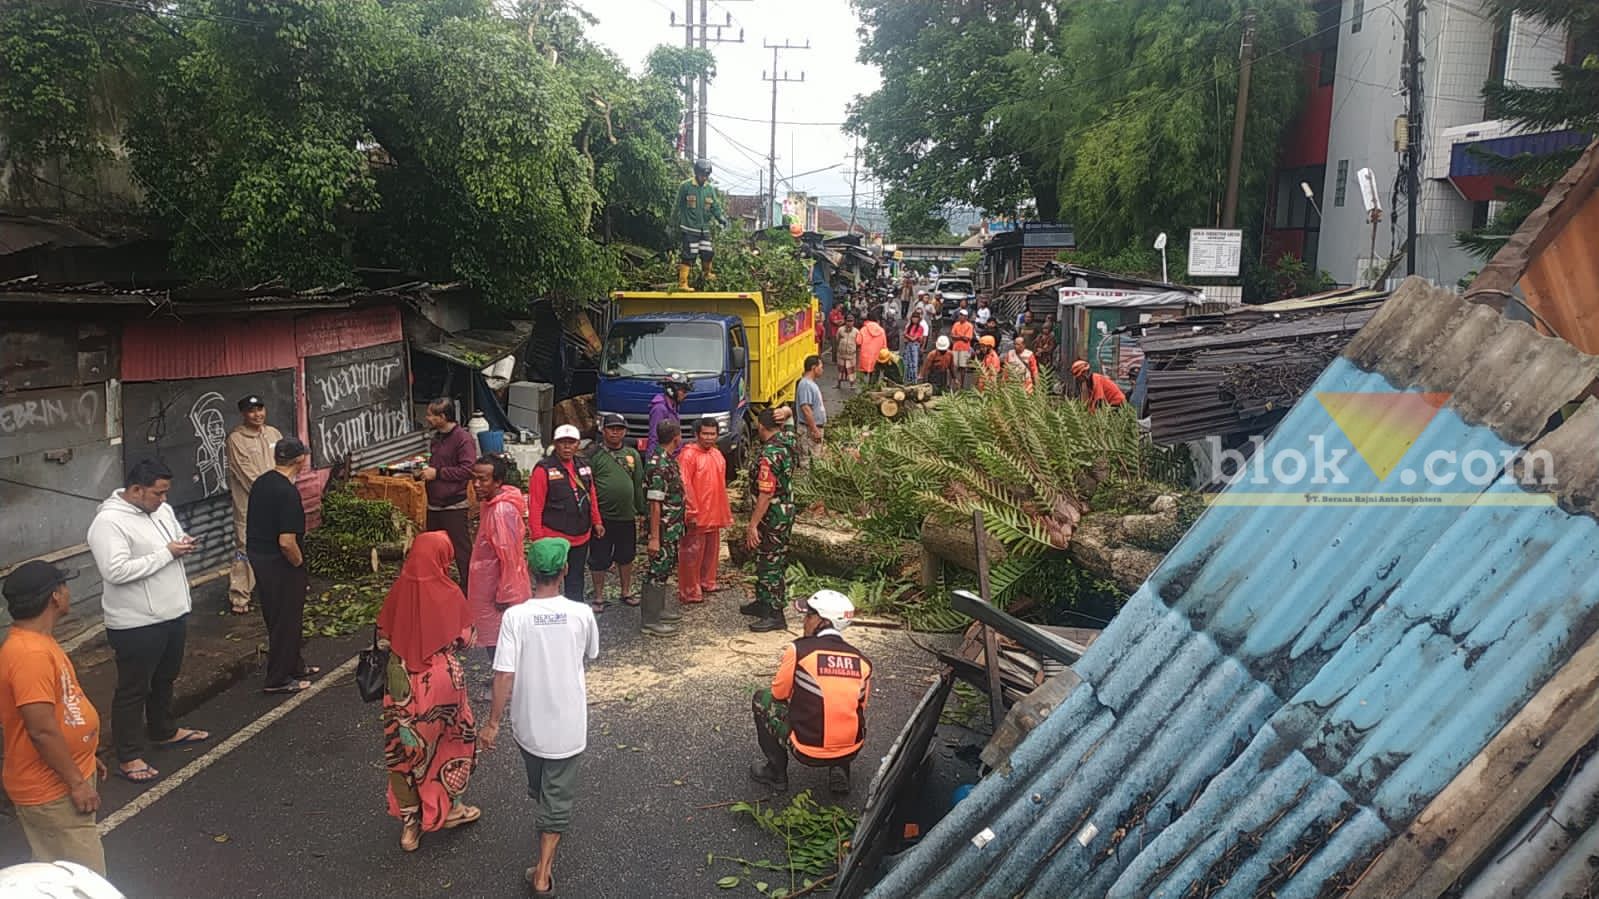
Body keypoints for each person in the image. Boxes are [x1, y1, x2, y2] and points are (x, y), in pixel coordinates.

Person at [482, 538, 600, 899]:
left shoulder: (515, 617)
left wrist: (493, 723)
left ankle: (543, 866)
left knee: (543, 789)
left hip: (527, 726)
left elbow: (503, 674)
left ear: (531, 572)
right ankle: (543, 870)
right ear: (564, 570)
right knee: (556, 795)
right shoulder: (582, 614)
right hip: (567, 726)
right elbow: (590, 654)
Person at [86, 458, 209, 785]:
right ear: (137, 490)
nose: (164, 499)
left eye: (166, 492)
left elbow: (172, 540)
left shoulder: (161, 511)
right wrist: (167, 553)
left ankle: (163, 730)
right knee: (133, 688)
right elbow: (115, 571)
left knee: (166, 677)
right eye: (158, 493)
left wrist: (183, 543)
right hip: (136, 622)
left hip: (172, 611)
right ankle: (128, 755)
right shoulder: (109, 522)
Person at [0, 560, 106, 875]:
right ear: (55, 597)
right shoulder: (29, 655)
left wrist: (85, 754)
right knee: (84, 881)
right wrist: (76, 780)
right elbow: (41, 730)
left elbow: (63, 707)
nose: (68, 592)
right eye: (64, 586)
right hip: (51, 789)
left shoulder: (39, 643)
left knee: (52, 869)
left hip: (61, 775)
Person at [377, 532, 481, 853]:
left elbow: (384, 634)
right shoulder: (449, 592)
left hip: (401, 685)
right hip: (441, 683)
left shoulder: (398, 590)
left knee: (403, 751)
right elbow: (467, 638)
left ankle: (411, 828)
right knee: (452, 742)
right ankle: (451, 808)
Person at [748, 589, 872, 797]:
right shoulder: (862, 660)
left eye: (809, 615)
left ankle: (775, 773)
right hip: (852, 747)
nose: (804, 621)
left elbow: (778, 694)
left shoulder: (799, 650)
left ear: (823, 621)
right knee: (845, 707)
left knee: (762, 698)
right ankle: (840, 768)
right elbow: (860, 705)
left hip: (807, 751)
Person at [247, 436, 315, 694]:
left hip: (260, 557)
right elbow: (287, 542)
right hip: (280, 562)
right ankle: (278, 678)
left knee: (280, 615)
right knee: (286, 619)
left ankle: (295, 665)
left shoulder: (263, 482)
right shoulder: (287, 493)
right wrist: (299, 565)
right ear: (300, 460)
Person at [467, 456, 531, 673]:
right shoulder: (490, 505)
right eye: (474, 479)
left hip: (499, 590)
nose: (476, 485)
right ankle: (504, 681)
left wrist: (506, 593)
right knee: (497, 639)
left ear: (498, 481)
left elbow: (509, 557)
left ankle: (507, 685)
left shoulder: (501, 511)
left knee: (502, 641)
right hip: (490, 585)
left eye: (483, 480)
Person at [529, 424, 604, 602]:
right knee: (549, 581)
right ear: (555, 444)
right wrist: (538, 540)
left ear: (578, 444)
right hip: (553, 538)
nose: (567, 447)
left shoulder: (584, 466)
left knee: (576, 580)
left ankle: (574, 616)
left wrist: (597, 521)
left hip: (581, 537)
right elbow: (535, 506)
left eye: (571, 443)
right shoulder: (543, 469)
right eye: (563, 442)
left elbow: (591, 495)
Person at [224, 395, 283, 614]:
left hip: (277, 501)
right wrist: (273, 493)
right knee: (246, 547)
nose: (257, 414)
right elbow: (245, 473)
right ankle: (240, 596)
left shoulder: (273, 434)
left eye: (260, 409)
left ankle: (275, 588)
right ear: (243, 414)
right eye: (251, 411)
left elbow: (285, 464)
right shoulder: (236, 440)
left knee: (279, 543)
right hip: (250, 505)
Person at [741, 409, 796, 632]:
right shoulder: (787, 440)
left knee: (771, 561)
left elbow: (765, 494)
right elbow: (791, 422)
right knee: (764, 556)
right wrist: (787, 411)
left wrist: (753, 524)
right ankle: (763, 602)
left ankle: (775, 613)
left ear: (761, 428)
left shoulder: (770, 455)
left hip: (773, 514)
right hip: (783, 510)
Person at [586, 413, 645, 611]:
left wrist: (642, 511)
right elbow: (588, 485)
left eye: (619, 429)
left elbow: (637, 484)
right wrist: (593, 517)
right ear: (603, 430)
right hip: (602, 517)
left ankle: (626, 591)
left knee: (626, 555)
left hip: (627, 516)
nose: (615, 432)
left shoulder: (632, 454)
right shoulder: (594, 454)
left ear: (625, 431)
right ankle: (599, 596)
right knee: (599, 557)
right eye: (611, 428)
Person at [422, 398, 477, 590]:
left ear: (443, 417)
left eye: (431, 414)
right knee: (433, 550)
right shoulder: (436, 437)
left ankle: (469, 591)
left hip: (453, 505)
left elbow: (468, 469)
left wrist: (437, 473)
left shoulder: (463, 439)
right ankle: (437, 588)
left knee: (461, 551)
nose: (427, 418)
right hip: (433, 504)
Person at [640, 419, 686, 637]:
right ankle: (650, 620)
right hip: (663, 529)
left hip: (672, 527)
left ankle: (659, 610)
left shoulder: (668, 460)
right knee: (656, 572)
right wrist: (654, 537)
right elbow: (655, 503)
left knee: (664, 569)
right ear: (676, 437)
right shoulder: (659, 464)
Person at [678, 418, 731, 605]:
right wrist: (690, 512)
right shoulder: (688, 455)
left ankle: (707, 582)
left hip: (714, 512)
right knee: (692, 554)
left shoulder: (717, 454)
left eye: (712, 434)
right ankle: (690, 590)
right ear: (697, 434)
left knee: (711, 551)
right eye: (705, 434)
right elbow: (684, 484)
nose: (709, 437)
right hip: (697, 514)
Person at [671, 157, 728, 291]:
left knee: (708, 252)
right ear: (696, 173)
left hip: (704, 229)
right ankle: (683, 283)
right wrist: (671, 223)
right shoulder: (686, 186)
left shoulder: (709, 189)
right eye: (702, 175)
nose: (704, 178)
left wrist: (721, 218)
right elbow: (677, 206)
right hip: (689, 228)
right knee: (689, 254)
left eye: (707, 175)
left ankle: (706, 274)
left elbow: (715, 207)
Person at [646, 372, 691, 456]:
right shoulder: (659, 409)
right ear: (671, 390)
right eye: (683, 391)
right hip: (664, 459)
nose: (685, 395)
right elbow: (654, 437)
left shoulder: (674, 407)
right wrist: (653, 461)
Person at [793, 355, 827, 465]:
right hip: (808, 431)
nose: (822, 370)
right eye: (821, 367)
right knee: (807, 462)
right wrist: (814, 430)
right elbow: (806, 409)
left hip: (812, 429)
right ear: (814, 368)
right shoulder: (806, 385)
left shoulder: (810, 384)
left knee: (816, 462)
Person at [856, 312, 887, 387]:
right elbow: (884, 346)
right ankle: (872, 389)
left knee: (862, 377)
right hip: (877, 358)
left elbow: (858, 342)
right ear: (877, 320)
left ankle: (862, 389)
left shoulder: (863, 329)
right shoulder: (881, 330)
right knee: (874, 377)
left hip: (864, 357)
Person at [950, 310, 976, 390]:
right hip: (955, 348)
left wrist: (957, 336)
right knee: (954, 367)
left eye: (963, 315)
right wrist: (961, 337)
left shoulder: (969, 325)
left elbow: (967, 338)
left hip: (964, 349)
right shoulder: (956, 324)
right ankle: (953, 384)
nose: (961, 317)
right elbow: (952, 336)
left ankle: (961, 385)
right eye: (960, 315)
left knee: (962, 367)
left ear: (966, 317)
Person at [835, 317, 859, 390]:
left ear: (853, 322)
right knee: (840, 370)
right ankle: (838, 384)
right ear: (845, 321)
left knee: (851, 370)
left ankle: (852, 385)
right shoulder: (840, 330)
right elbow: (837, 339)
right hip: (841, 354)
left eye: (851, 321)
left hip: (851, 355)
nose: (849, 323)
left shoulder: (856, 332)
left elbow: (858, 343)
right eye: (848, 321)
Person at [902, 312, 926, 382]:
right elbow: (905, 339)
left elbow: (913, 339)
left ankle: (914, 380)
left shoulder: (920, 328)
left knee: (914, 363)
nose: (914, 319)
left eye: (916, 318)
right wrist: (908, 337)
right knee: (907, 363)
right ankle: (906, 380)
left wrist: (906, 336)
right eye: (913, 318)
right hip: (908, 346)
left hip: (915, 347)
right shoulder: (909, 326)